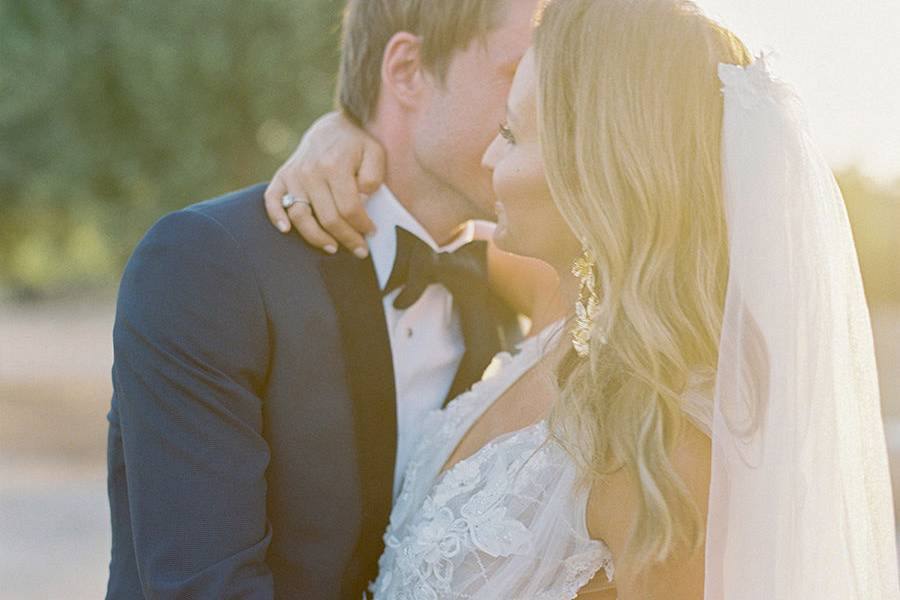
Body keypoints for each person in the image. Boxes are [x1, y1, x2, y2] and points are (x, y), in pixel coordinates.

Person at [265, 0, 900, 598]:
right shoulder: (563, 307)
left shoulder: (661, 446)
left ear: (597, 174)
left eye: (512, 135)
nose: (489, 153)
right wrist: (345, 131)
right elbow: (421, 234)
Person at [105, 1, 554, 598]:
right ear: (408, 69)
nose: (542, 113)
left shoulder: (516, 282)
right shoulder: (210, 266)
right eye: (518, 74)